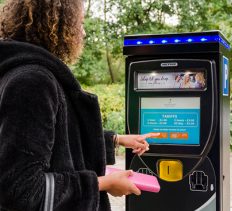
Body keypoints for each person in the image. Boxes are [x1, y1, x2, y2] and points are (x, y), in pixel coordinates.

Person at [0, 0, 158, 210]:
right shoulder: (32, 81)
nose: (82, 33)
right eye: (80, 24)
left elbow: (57, 141)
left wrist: (116, 140)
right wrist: (103, 184)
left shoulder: (25, 73)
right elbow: (20, 189)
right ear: (56, 25)